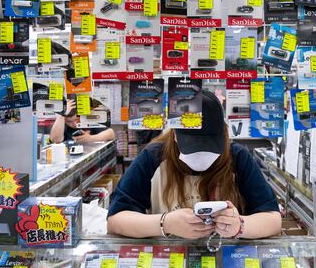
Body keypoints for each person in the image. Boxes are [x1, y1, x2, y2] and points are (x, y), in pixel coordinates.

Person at [107, 90, 281, 239]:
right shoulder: (153, 158)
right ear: (174, 134)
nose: (201, 155)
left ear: (223, 135)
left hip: (227, 258)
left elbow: (273, 219)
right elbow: (116, 221)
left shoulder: (238, 158)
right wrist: (165, 223)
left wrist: (240, 226)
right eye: (193, 146)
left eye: (209, 146)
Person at [50, 99, 115, 144]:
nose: (75, 124)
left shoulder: (88, 119)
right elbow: (56, 140)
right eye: (69, 122)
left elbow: (111, 133)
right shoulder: (60, 122)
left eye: (77, 120)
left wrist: (91, 139)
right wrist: (61, 114)